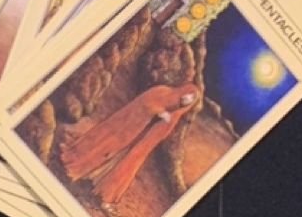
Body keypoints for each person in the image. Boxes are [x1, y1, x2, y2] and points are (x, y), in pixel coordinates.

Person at [60, 81, 199, 208]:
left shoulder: (176, 114)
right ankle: (79, 167)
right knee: (105, 147)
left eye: (192, 99)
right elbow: (145, 103)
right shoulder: (162, 91)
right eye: (189, 95)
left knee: (125, 164)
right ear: (183, 90)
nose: (188, 99)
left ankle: (103, 192)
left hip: (139, 143)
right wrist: (160, 112)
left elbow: (161, 133)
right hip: (126, 130)